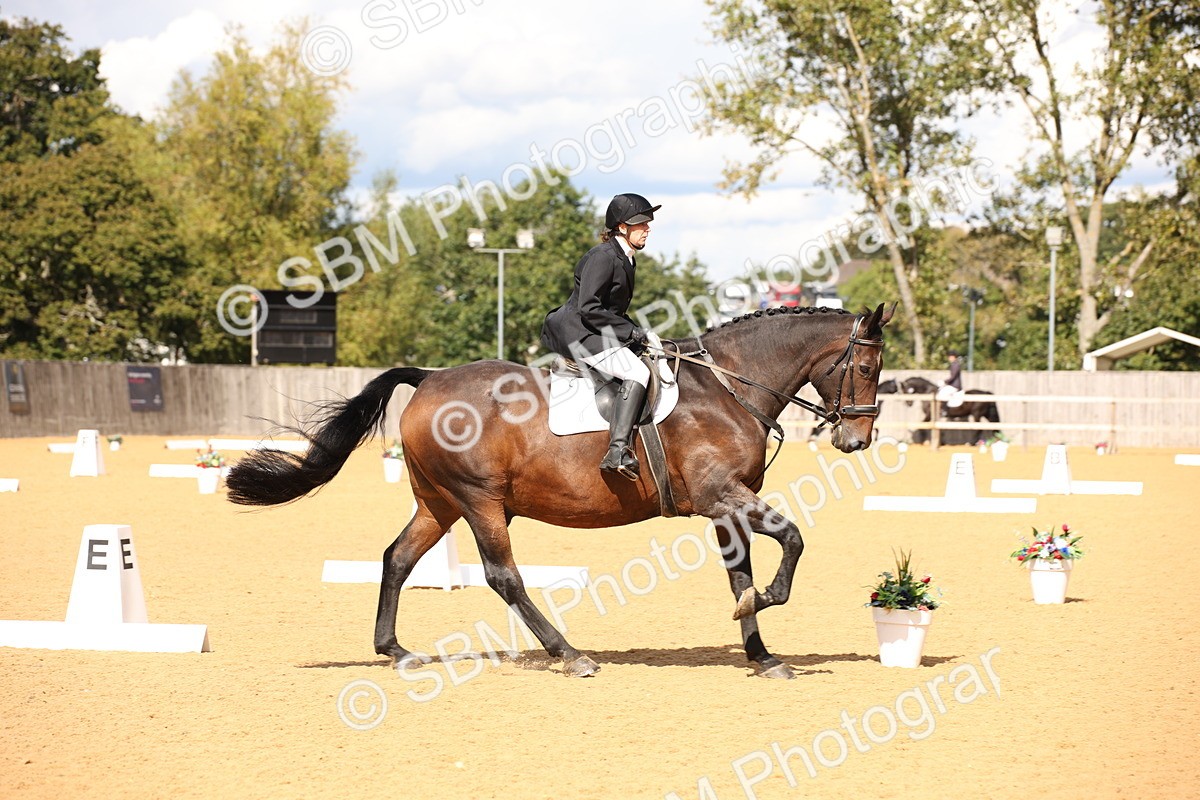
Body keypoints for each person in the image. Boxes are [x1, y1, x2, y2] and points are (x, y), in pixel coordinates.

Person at [540, 193, 660, 481]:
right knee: (637, 372)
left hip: (596, 329)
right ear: (622, 227)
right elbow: (589, 308)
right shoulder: (602, 257)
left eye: (648, 223)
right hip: (579, 332)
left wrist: (641, 333)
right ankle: (617, 451)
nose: (648, 228)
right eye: (641, 223)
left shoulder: (625, 258)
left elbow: (613, 311)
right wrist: (630, 332)